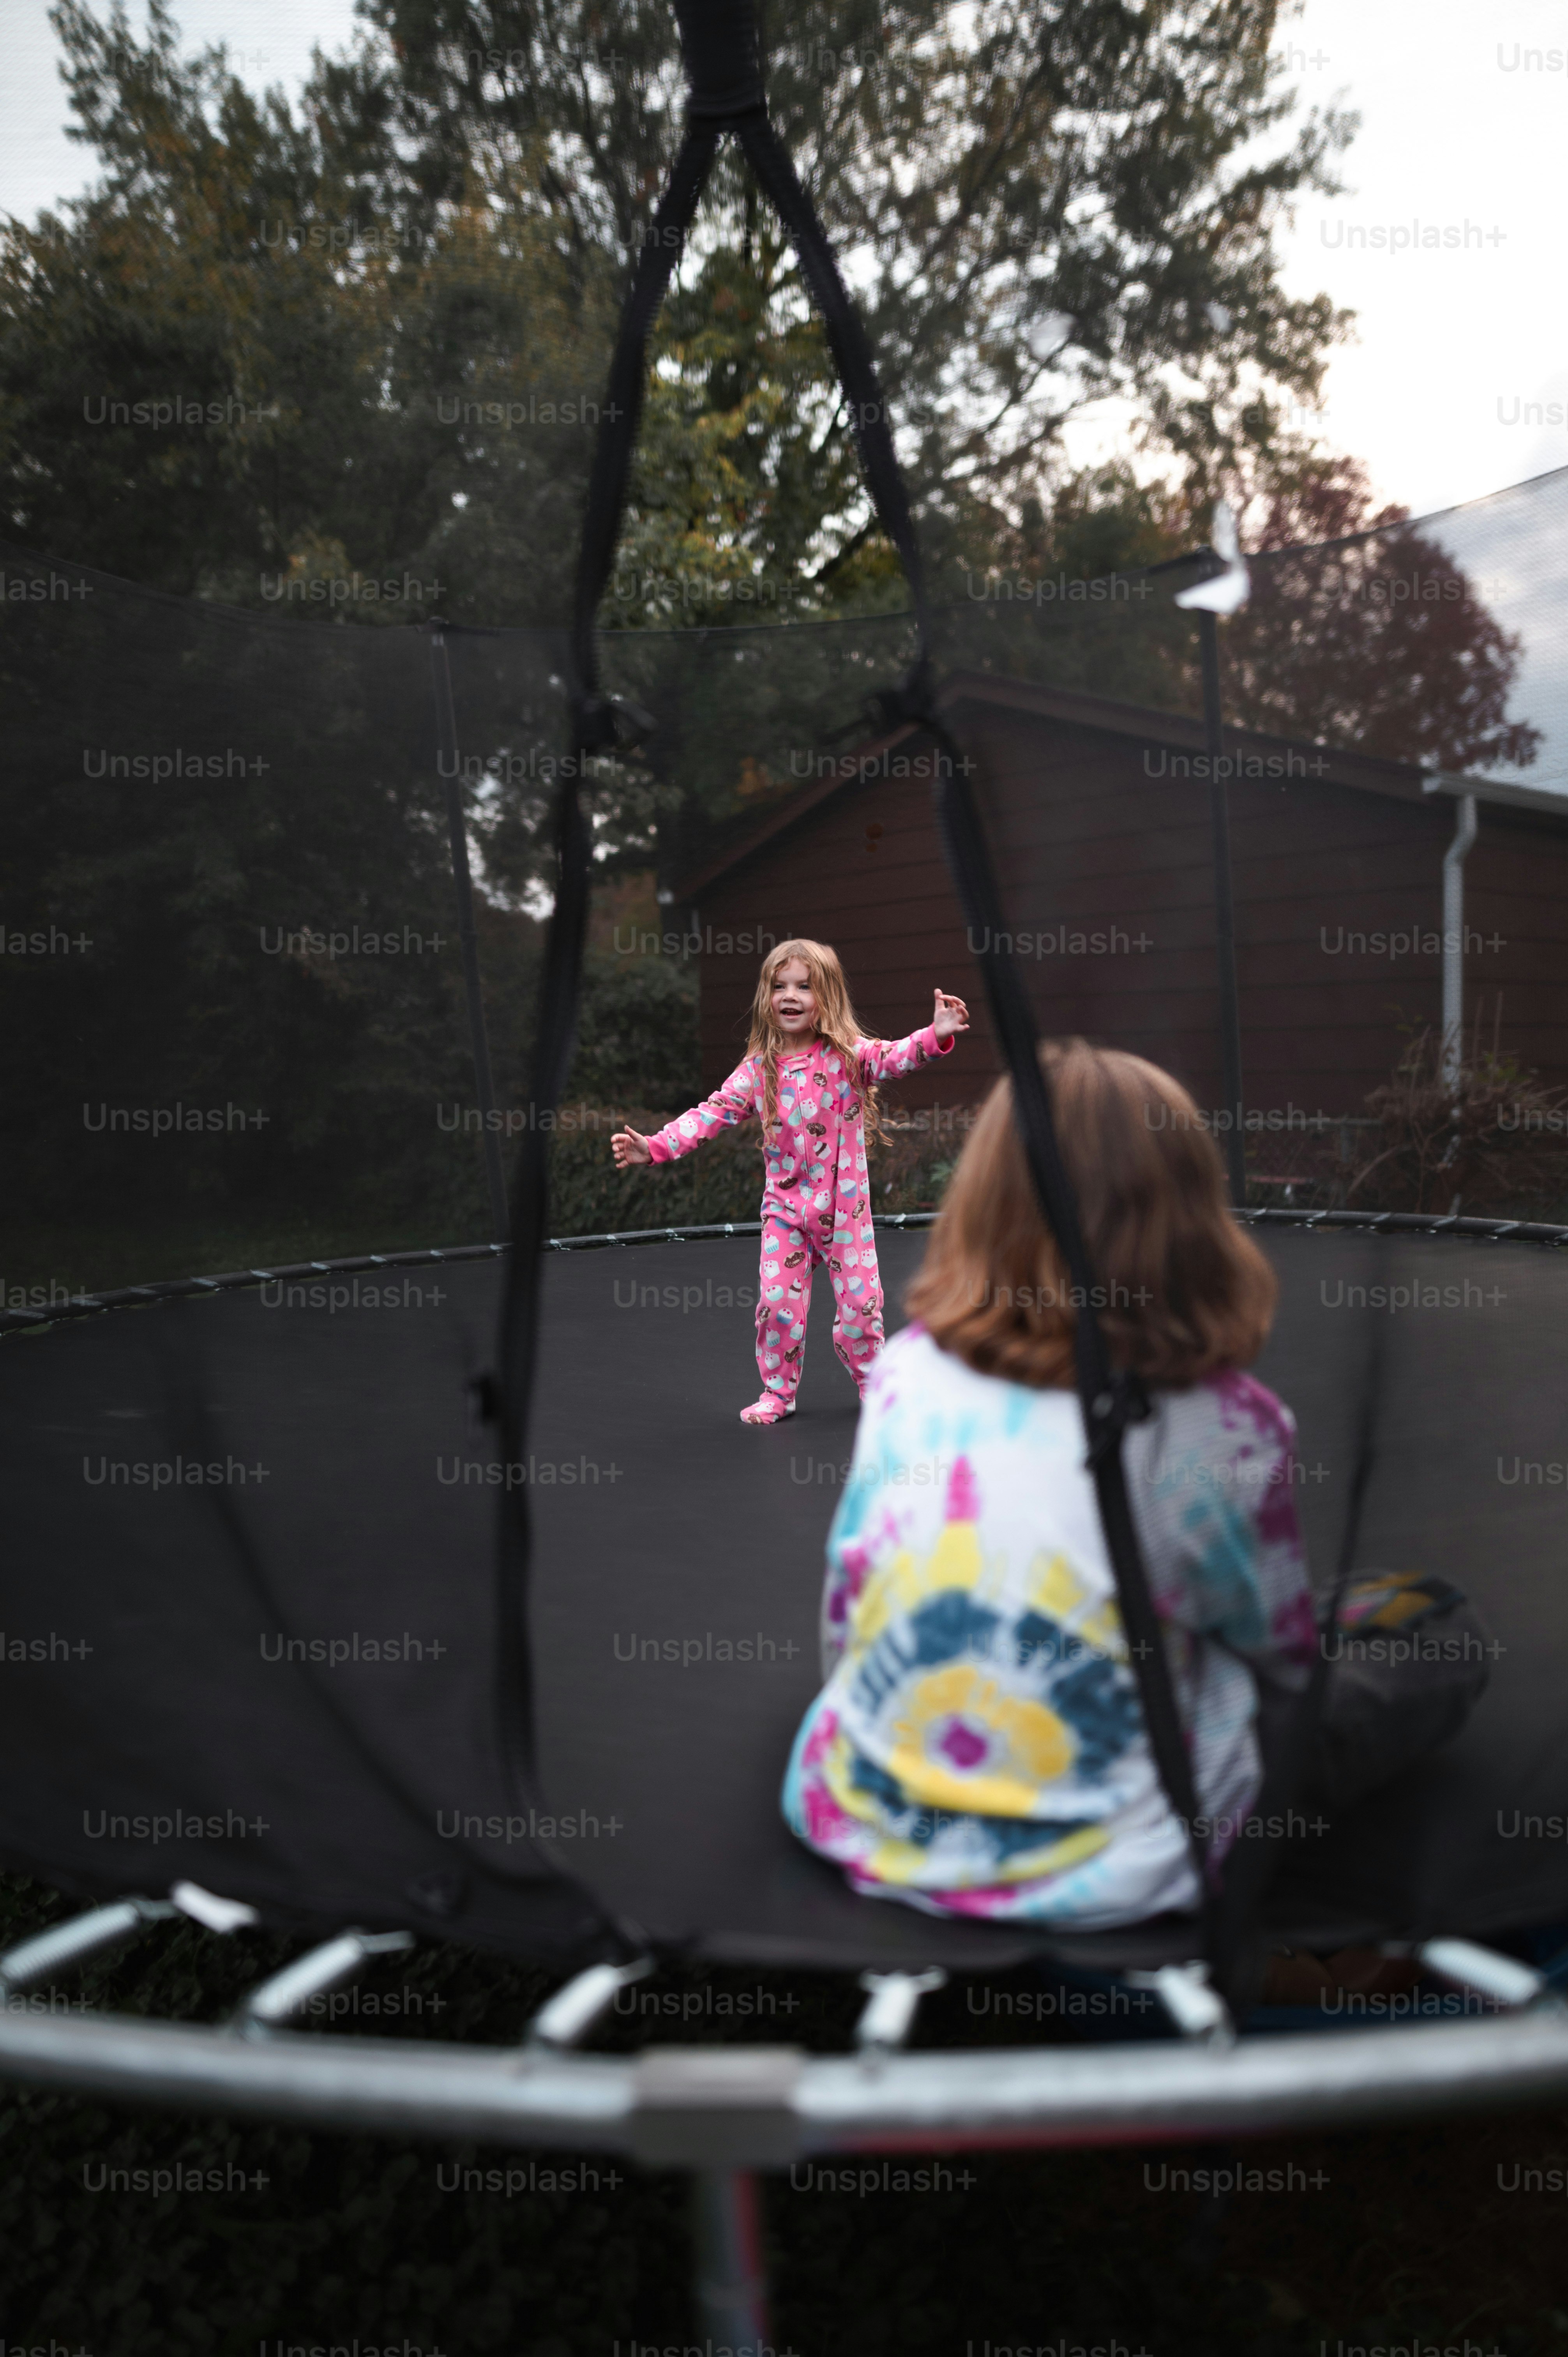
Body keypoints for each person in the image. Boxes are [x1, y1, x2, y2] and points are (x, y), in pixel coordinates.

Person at [781, 1038, 1317, 1929]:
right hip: (1112, 1863)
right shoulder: (1228, 1428)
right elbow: (1277, 1652)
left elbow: (847, 1596)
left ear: (979, 1208)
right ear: (1190, 1220)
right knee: (1417, 1643)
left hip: (861, 1814)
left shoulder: (908, 1371)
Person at [611, 939, 969, 1425]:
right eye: (779, 987)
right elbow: (709, 1114)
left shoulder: (848, 1057)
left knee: (863, 1309)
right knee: (777, 1305)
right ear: (766, 997)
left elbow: (894, 1057)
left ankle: (874, 1387)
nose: (790, 996)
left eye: (804, 986)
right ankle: (777, 1394)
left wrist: (936, 1034)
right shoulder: (758, 1071)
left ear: (826, 997)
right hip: (786, 1215)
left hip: (846, 1215)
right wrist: (653, 1147)